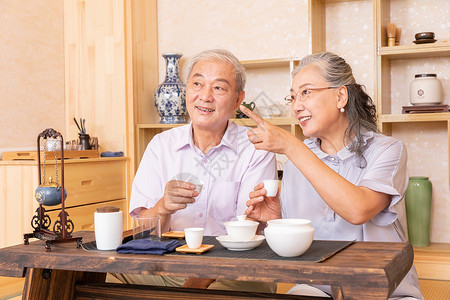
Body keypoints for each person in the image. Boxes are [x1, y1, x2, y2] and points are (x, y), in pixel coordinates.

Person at [240, 51, 423, 299]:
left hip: (385, 291)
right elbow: (307, 237)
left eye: (306, 92)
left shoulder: (388, 150)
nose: (296, 106)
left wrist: (291, 146)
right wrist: (277, 219)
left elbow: (358, 210)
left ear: (340, 96)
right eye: (292, 97)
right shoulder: (297, 160)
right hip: (318, 286)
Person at [110, 49, 277, 292]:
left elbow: (250, 230)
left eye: (219, 88)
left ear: (238, 99)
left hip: (231, 270)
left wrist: (199, 280)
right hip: (167, 267)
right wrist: (162, 207)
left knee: (241, 287)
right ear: (187, 90)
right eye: (197, 84)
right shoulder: (161, 146)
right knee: (102, 276)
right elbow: (141, 234)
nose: (205, 96)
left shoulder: (255, 148)